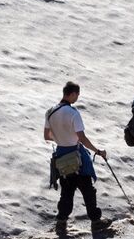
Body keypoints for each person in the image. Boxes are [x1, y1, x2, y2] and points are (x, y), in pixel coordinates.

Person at [44, 81, 109, 230]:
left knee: (67, 190)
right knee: (88, 190)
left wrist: (61, 138)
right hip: (77, 156)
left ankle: (61, 221)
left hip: (61, 156)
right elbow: (82, 138)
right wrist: (97, 151)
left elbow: (47, 136)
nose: (77, 98)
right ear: (72, 94)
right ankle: (95, 221)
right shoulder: (73, 113)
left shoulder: (50, 112)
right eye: (77, 95)